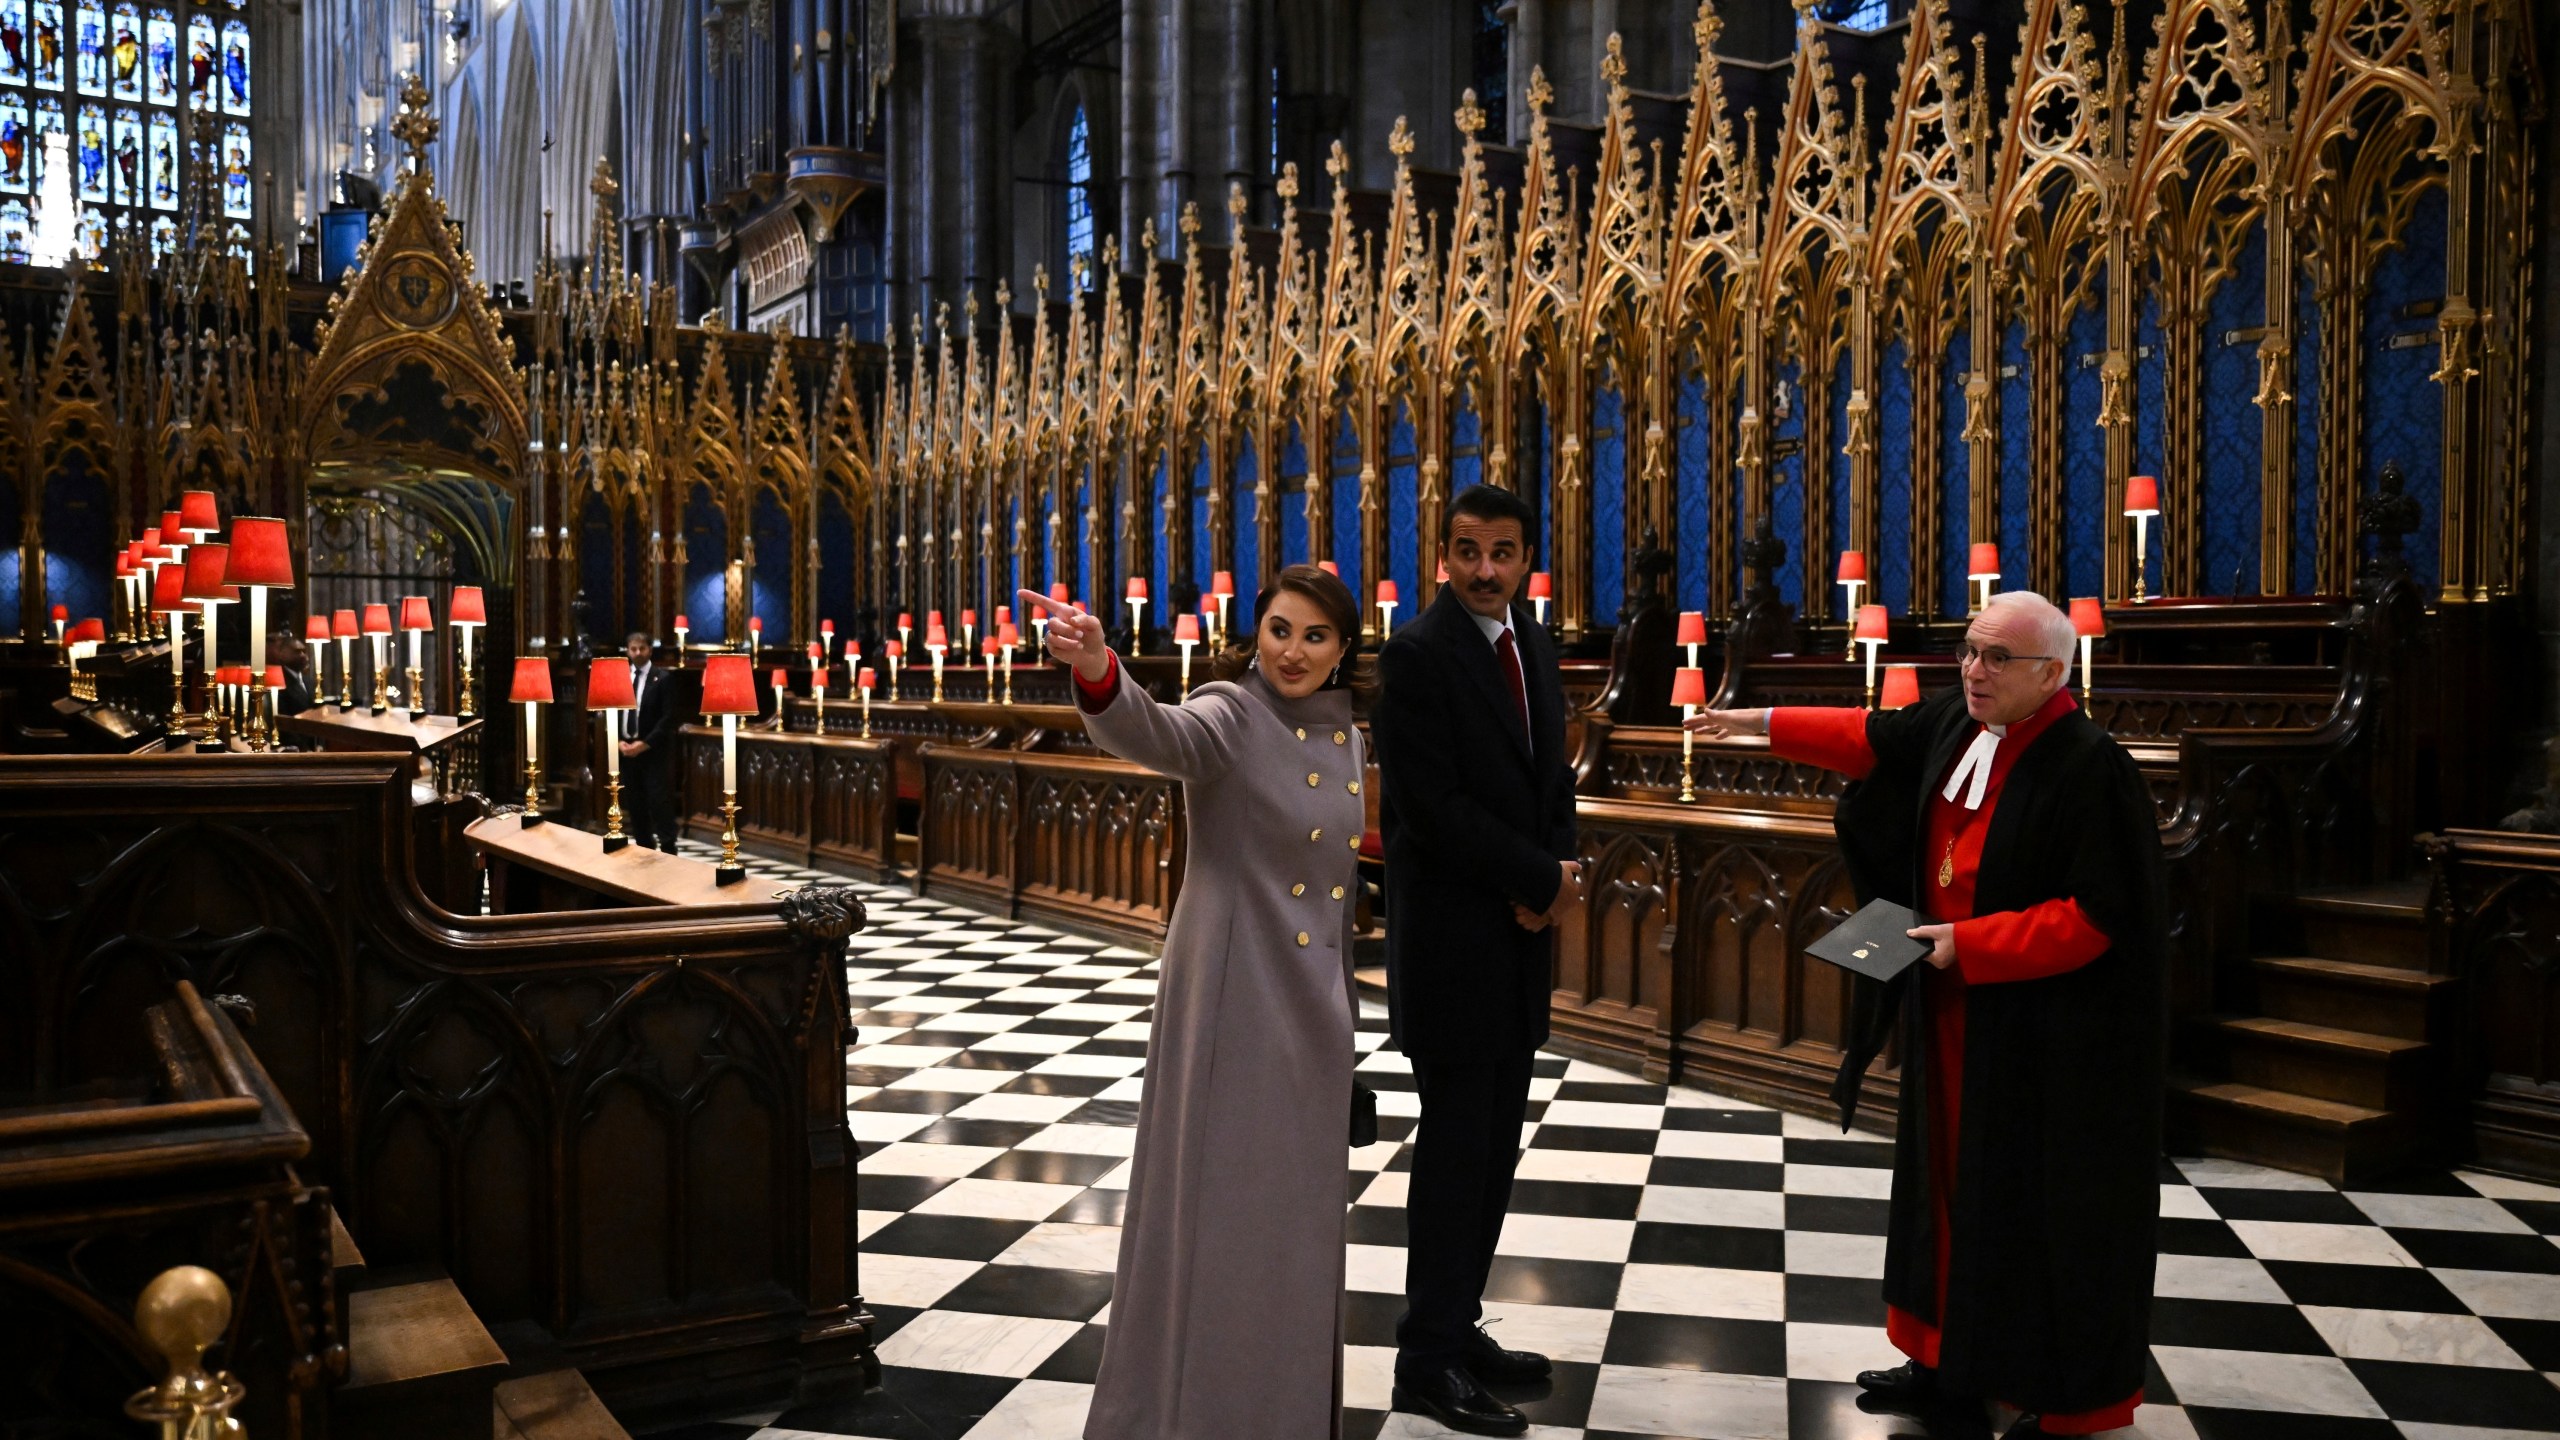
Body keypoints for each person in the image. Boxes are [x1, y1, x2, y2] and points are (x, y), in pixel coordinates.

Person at [1685, 589, 2165, 1440]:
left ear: (2053, 674)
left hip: (2042, 1037)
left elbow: (2098, 918)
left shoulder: (2091, 766)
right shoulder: (1956, 723)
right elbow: (1871, 736)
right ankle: (1941, 1360)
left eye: (1997, 659)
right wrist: (1758, 722)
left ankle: (2055, 1397)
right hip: (1951, 1011)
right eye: (1970, 652)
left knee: (2035, 1211)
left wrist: (1971, 944)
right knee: (1941, 1192)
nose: (1975, 671)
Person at [1025, 568, 1368, 1440]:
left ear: (1343, 651)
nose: (1294, 651)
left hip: (1314, 1008)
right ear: (1258, 633)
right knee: (1228, 1215)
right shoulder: (1231, 713)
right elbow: (1158, 733)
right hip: (1235, 996)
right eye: (1280, 630)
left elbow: (1335, 892)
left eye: (1316, 636)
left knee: (1290, 1226)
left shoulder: (1345, 734)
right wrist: (1101, 669)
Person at [1374, 484, 1582, 1438]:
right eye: (1468, 552)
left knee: (1496, 1148)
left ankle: (1457, 1330)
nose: (1485, 570)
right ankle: (1425, 1361)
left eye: (1502, 552)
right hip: (1454, 943)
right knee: (1457, 1153)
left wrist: (1558, 874)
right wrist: (1538, 874)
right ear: (1443, 555)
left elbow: (1553, 776)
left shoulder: (1530, 641)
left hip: (1517, 938)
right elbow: (1430, 809)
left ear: (1524, 556)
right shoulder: (1417, 655)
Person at [617, 632, 679, 853]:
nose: (637, 653)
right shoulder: (622, 677)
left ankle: (669, 847)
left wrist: (644, 744)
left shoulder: (662, 678)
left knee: (658, 800)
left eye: (641, 648)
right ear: (627, 650)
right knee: (635, 803)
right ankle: (644, 847)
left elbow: (668, 718)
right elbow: (612, 711)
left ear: (650, 650)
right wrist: (618, 742)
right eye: (633, 648)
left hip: (652, 751)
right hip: (626, 751)